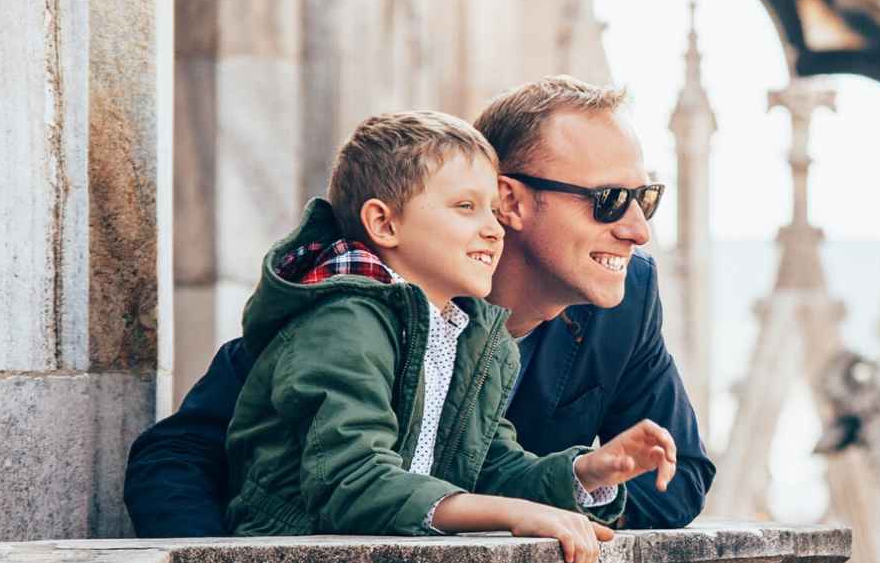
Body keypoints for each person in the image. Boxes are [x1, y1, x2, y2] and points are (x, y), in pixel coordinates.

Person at [126, 77, 714, 537]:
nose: (638, 229)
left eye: (646, 198)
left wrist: (584, 482)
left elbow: (680, 477)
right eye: (610, 200)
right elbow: (176, 455)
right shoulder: (350, 304)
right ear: (510, 200)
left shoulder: (622, 299)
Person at [222, 110, 676, 563]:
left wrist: (586, 472)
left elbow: (489, 465)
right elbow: (351, 481)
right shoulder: (343, 321)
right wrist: (513, 514)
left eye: (492, 212)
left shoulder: (470, 332)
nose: (494, 229)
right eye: (465, 207)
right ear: (384, 223)